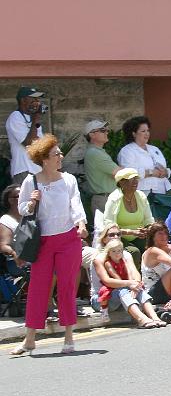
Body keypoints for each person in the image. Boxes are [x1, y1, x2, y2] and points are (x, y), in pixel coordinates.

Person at [11, 134, 88, 356]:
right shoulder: (30, 181)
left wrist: (81, 224)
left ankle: (69, 337)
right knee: (38, 288)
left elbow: (76, 204)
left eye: (60, 153)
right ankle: (29, 340)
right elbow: (23, 209)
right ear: (44, 159)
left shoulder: (69, 180)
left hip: (68, 239)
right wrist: (33, 201)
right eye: (56, 154)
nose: (60, 157)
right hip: (43, 242)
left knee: (66, 286)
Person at [94, 238, 166, 328]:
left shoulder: (125, 257)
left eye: (118, 234)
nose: (117, 253)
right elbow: (109, 281)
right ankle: (141, 319)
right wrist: (130, 284)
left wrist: (134, 285)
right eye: (111, 235)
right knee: (122, 290)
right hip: (104, 298)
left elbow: (132, 272)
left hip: (125, 288)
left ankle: (155, 317)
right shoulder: (102, 260)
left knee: (139, 289)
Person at [103, 168, 154, 270]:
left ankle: (151, 279)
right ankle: (133, 281)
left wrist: (148, 229)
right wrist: (132, 232)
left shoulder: (141, 196)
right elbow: (109, 228)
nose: (135, 181)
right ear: (121, 182)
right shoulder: (114, 198)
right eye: (131, 179)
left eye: (136, 178)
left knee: (153, 248)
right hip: (119, 238)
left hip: (139, 237)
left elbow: (149, 219)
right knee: (134, 252)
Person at [117, 116, 171, 195]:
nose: (147, 133)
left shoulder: (154, 149)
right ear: (134, 133)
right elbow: (128, 173)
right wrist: (151, 172)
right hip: (141, 194)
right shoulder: (127, 151)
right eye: (143, 131)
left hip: (162, 193)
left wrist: (166, 172)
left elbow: (164, 168)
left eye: (148, 130)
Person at [5, 87, 45, 184]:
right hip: (24, 169)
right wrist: (36, 118)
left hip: (37, 170)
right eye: (34, 99)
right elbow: (29, 143)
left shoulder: (33, 117)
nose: (37, 102)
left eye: (38, 99)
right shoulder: (15, 117)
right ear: (23, 100)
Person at [83, 119, 122, 216]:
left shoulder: (96, 152)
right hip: (105, 199)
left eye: (106, 130)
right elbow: (120, 173)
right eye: (102, 130)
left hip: (105, 198)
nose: (106, 132)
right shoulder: (95, 153)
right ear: (92, 135)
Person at [0, 184, 26, 276]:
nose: (23, 197)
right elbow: (3, 245)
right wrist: (14, 253)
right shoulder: (6, 220)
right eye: (19, 196)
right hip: (17, 262)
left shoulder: (29, 216)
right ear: (10, 200)